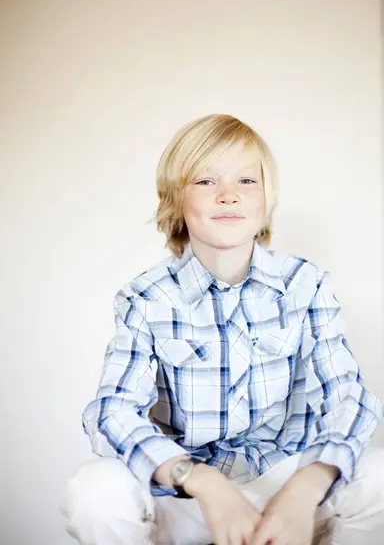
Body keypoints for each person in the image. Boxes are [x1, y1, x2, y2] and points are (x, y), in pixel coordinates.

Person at [62, 114, 384, 545]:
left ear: (267, 198)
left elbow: (349, 400)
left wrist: (305, 487)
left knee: (377, 475)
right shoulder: (146, 298)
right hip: (189, 494)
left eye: (246, 181)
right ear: (175, 201)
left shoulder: (305, 284)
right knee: (95, 489)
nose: (228, 196)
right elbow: (111, 413)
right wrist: (201, 481)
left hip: (284, 481)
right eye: (206, 182)